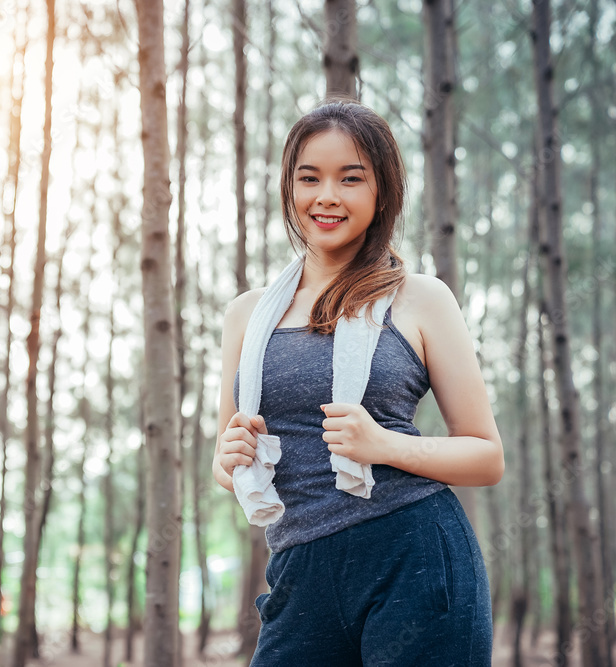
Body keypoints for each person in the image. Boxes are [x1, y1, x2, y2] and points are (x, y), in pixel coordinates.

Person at [213, 99, 503, 666]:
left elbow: (486, 457)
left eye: (351, 178)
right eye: (309, 177)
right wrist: (226, 458)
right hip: (299, 570)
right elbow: (227, 464)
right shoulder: (248, 315)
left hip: (414, 560)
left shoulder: (420, 299)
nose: (327, 196)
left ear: (382, 192)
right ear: (288, 189)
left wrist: (384, 445)